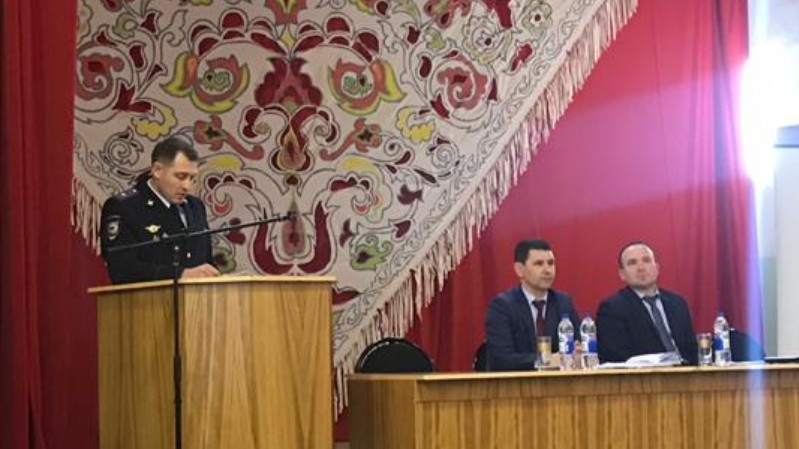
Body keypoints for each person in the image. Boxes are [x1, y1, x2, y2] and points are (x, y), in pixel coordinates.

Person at [100, 136, 220, 284]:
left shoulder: (195, 206)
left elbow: (205, 260)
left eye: (192, 178)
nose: (187, 186)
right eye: (181, 176)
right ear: (157, 170)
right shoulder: (124, 207)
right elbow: (122, 269)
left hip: (197, 297)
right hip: (147, 298)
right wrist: (180, 275)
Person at [484, 239, 580, 371]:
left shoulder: (563, 302)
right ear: (520, 270)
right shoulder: (502, 306)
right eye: (539, 264)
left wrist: (578, 353)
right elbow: (501, 359)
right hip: (517, 382)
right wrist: (545, 361)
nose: (547, 270)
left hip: (560, 381)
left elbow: (577, 346)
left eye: (551, 263)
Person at [596, 242, 698, 365]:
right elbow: (617, 358)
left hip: (686, 373)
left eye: (646, 260)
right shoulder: (612, 309)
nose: (641, 268)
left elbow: (692, 350)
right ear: (622, 274)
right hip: (644, 375)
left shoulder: (677, 303)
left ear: (657, 268)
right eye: (632, 263)